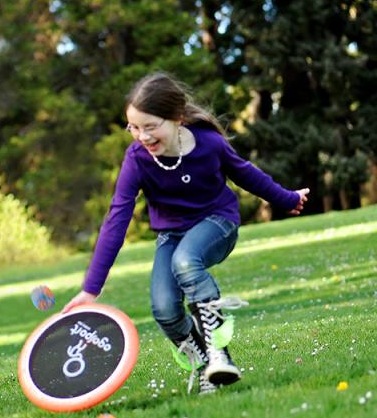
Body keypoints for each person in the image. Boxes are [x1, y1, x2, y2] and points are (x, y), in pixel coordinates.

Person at [64, 72, 309, 394]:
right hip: (172, 234)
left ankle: (218, 347)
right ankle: (210, 366)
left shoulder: (209, 143)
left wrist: (287, 199)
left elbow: (245, 174)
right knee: (164, 309)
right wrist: (91, 289)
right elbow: (117, 218)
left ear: (177, 118)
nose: (142, 136)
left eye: (150, 127)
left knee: (185, 261)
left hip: (217, 222)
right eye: (134, 127)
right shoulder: (137, 160)